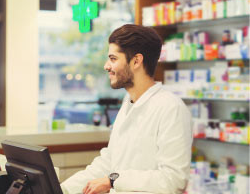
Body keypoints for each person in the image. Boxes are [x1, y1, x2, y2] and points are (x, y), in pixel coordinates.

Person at [61, 24, 193, 194]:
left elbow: (173, 180)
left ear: (136, 61)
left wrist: (113, 180)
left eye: (113, 59)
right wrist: (61, 189)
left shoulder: (171, 108)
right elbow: (108, 163)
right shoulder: (128, 103)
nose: (106, 66)